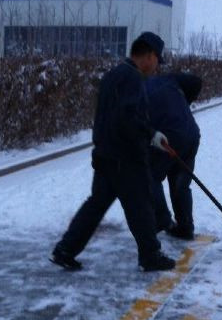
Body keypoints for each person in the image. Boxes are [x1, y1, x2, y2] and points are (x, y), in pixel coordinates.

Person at [51, 32, 176, 272]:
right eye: (158, 59)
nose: (158, 66)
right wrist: (149, 136)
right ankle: (150, 255)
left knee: (95, 206)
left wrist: (150, 133)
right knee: (141, 206)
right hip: (125, 157)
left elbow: (116, 114)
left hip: (106, 154)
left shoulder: (114, 75)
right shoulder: (132, 79)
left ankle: (65, 249)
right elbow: (128, 118)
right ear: (149, 55)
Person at [146, 70, 202, 240]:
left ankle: (161, 218)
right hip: (191, 134)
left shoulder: (139, 89)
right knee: (181, 184)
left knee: (150, 176)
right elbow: (196, 81)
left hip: (168, 137)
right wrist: (183, 104)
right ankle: (185, 227)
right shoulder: (170, 79)